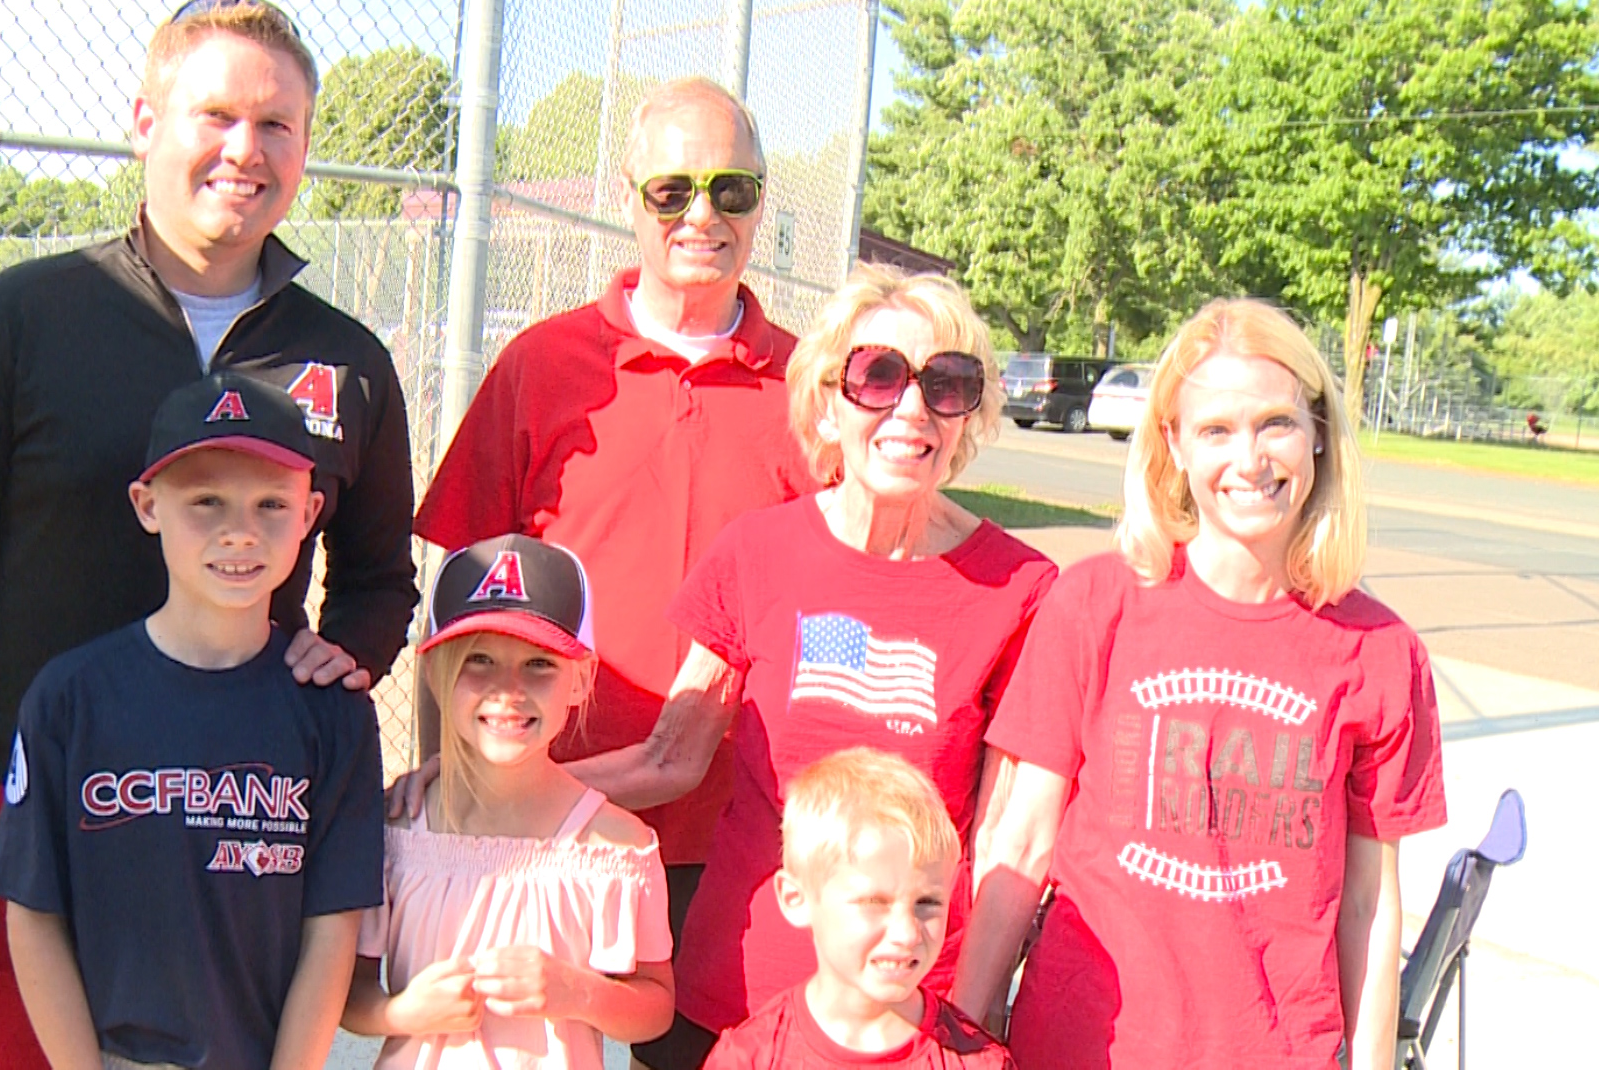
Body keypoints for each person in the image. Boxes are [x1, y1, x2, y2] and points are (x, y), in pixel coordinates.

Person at [0, 0, 417, 1067]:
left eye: (277, 126)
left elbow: (378, 577)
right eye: (215, 114)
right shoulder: (27, 315)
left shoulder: (345, 358)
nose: (244, 151)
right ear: (144, 120)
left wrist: (342, 655)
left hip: (240, 822)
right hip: (37, 811)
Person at [536, 264, 1054, 1068]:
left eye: (946, 385)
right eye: (879, 376)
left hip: (904, 1017)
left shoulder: (1017, 589)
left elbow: (1005, 838)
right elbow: (670, 758)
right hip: (733, 1007)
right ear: (826, 398)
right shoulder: (758, 552)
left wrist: (973, 1017)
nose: (911, 409)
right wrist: (495, 797)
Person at [409, 76, 815, 1067]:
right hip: (548, 821)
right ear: (629, 195)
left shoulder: (809, 390)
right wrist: (446, 794)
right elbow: (456, 601)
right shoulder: (546, 367)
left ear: (762, 201)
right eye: (672, 191)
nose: (702, 216)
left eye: (732, 190)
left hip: (730, 838)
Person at [955, 298, 1447, 1069]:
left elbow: (1369, 903)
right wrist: (966, 1028)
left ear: (1318, 433)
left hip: (1276, 1049)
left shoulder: (1381, 653)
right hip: (1085, 1044)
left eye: (1276, 424)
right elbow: (1022, 837)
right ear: (1173, 445)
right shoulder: (1095, 604)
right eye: (1216, 430)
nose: (1249, 460)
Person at [0, 372, 383, 1069]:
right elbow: (33, 913)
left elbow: (331, 928)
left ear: (311, 511)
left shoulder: (334, 710)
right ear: (147, 505)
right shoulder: (71, 698)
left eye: (270, 504)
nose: (240, 532)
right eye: (206, 501)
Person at [344, 534, 675, 1068]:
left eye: (539, 664)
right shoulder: (392, 832)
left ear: (580, 678)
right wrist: (404, 1012)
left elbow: (656, 1006)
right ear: (433, 672)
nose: (508, 689)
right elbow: (349, 996)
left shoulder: (617, 845)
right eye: (479, 659)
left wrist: (576, 991)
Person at [704, 748, 1013, 1069]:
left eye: (927, 903)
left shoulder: (979, 1062)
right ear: (796, 899)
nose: (906, 932)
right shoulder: (749, 1058)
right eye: (874, 903)